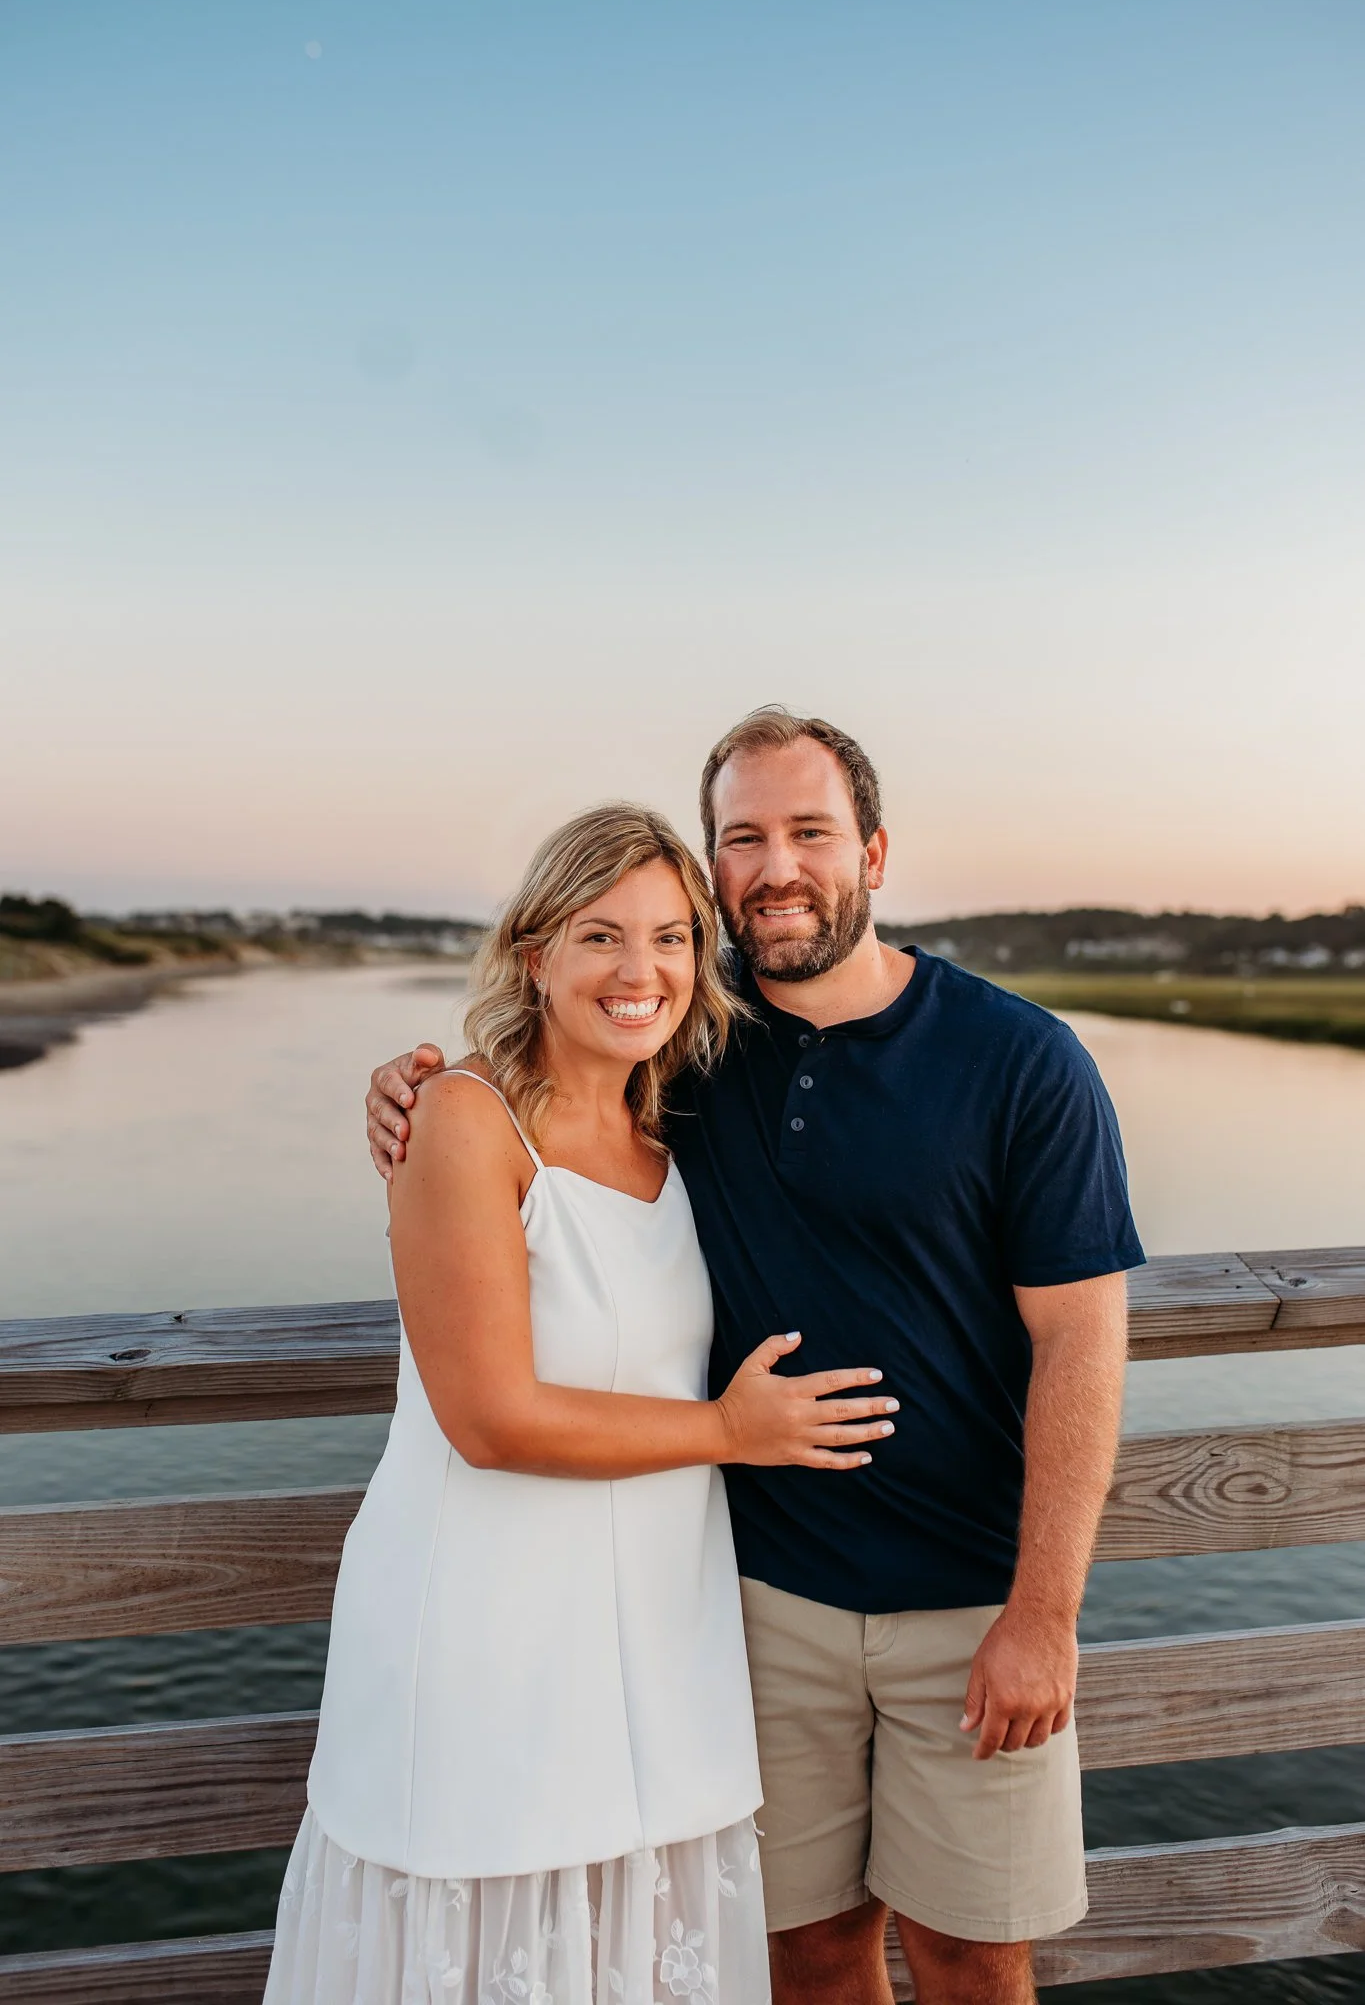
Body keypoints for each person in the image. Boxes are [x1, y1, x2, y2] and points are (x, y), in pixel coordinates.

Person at [367, 709, 1144, 2005]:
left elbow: (1079, 1340)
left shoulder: (1022, 1063)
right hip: (750, 1603)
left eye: (809, 833)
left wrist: (1043, 1613)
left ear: (874, 852)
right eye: (743, 838)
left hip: (968, 1605)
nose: (776, 867)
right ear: (712, 865)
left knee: (971, 1958)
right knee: (803, 1956)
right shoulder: (682, 1049)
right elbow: (529, 1119)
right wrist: (412, 1090)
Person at [264, 802, 898, 2005]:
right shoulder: (465, 1116)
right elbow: (489, 1414)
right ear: (533, 952)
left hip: (660, 1641)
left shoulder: (684, 1130)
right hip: (490, 1631)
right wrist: (729, 1431)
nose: (640, 970)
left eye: (670, 937)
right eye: (601, 935)